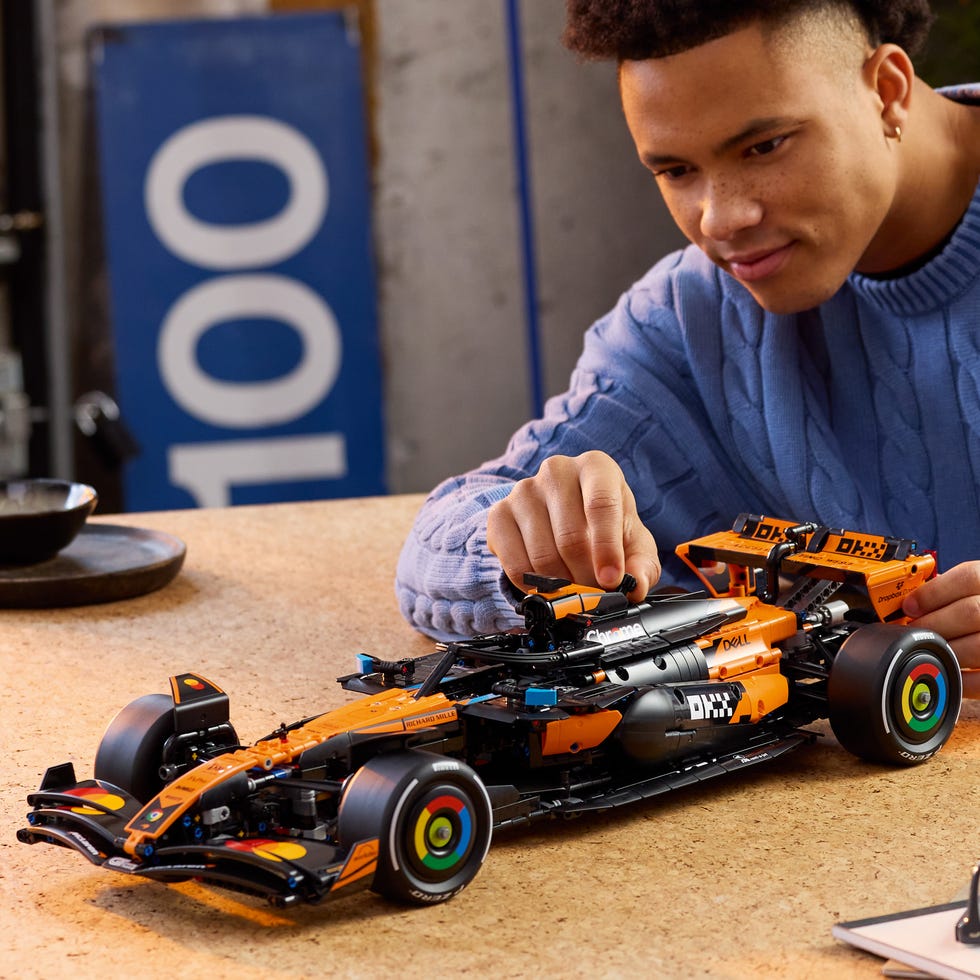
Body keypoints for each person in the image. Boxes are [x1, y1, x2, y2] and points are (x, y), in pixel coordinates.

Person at [395, 0, 980, 696]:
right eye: (676, 170)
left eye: (764, 147)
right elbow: (440, 541)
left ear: (887, 90)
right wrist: (537, 549)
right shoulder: (690, 318)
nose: (722, 217)